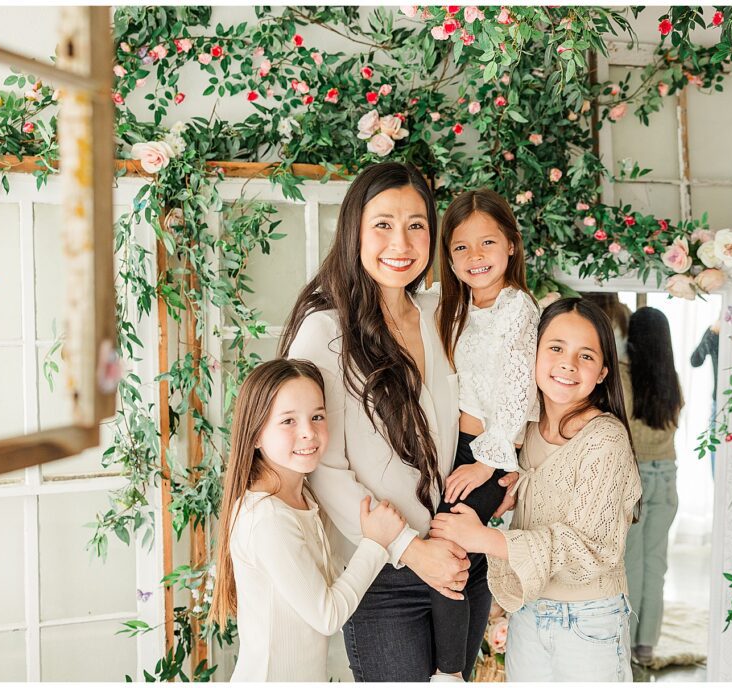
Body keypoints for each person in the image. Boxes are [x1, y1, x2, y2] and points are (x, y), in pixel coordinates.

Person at [279, 162, 518, 681]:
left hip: (462, 555)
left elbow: (499, 387)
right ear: (354, 232)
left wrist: (508, 464)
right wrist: (411, 549)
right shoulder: (325, 331)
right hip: (384, 574)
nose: (401, 242)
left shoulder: (441, 313)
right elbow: (321, 467)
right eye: (383, 224)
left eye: (416, 225)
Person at [428, 298, 642, 682]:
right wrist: (501, 506)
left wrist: (485, 538)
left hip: (589, 618)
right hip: (528, 609)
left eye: (586, 356)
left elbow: (589, 548)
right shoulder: (522, 432)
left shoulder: (604, 439)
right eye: (556, 348)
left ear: (603, 372)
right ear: (534, 354)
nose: (568, 364)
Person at [210, 358, 407, 681]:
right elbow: (327, 615)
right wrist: (375, 544)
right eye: (288, 421)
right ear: (256, 435)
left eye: (317, 416)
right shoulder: (268, 519)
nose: (308, 433)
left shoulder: (304, 500)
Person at [430, 188, 539, 681]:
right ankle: (459, 667)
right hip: (450, 450)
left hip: (486, 454)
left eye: (487, 243)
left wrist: (488, 464)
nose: (476, 257)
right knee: (466, 562)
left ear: (511, 246)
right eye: (461, 247)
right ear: (448, 255)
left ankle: (451, 673)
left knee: (450, 549)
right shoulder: (451, 307)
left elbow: (519, 394)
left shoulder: (518, 308)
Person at [621, 307, 684, 667]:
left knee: (632, 562)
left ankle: (626, 641)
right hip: (668, 475)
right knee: (656, 563)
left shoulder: (626, 376)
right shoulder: (671, 377)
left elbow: (624, 425)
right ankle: (646, 646)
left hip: (638, 477)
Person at [690, 322, 720, 477]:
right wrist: (711, 333)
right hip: (718, 402)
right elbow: (695, 360)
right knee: (716, 451)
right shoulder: (713, 333)